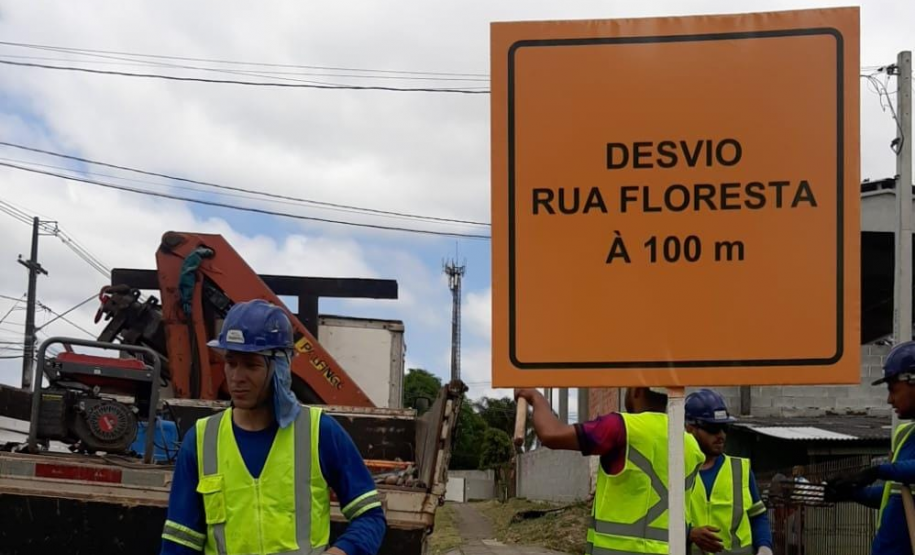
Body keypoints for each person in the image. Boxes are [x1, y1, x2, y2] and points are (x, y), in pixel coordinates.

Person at [160, 300, 386, 555]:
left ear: (280, 367)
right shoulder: (201, 441)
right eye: (231, 362)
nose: (236, 377)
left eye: (251, 365)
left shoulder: (319, 432)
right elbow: (180, 543)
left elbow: (370, 516)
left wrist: (343, 551)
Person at [514, 387, 705, 555]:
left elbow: (551, 434)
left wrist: (536, 397)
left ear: (637, 390)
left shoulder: (619, 427)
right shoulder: (690, 444)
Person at [825, 340, 915, 555]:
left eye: (893, 389)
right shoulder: (906, 434)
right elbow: (893, 496)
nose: (889, 399)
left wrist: (876, 471)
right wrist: (851, 492)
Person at [684, 389, 773, 555]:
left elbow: (758, 517)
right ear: (690, 429)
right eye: (712, 428)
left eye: (724, 427)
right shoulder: (676, 473)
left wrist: (765, 547)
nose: (721, 435)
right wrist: (689, 534)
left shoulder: (741, 470)